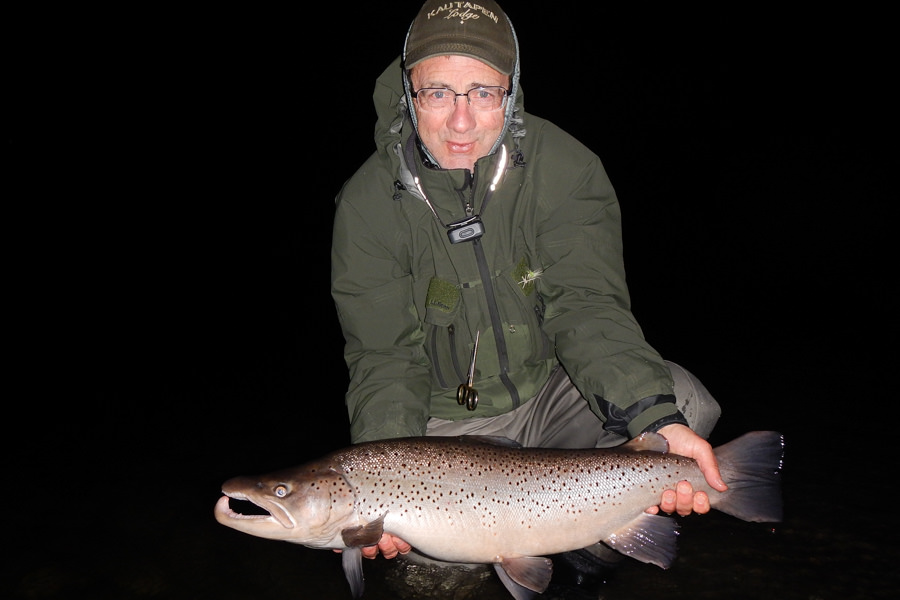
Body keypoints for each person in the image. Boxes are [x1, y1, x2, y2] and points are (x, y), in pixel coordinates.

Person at [330, 0, 726, 588]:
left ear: (511, 93)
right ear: (409, 92)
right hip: (442, 428)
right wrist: (383, 482)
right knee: (427, 568)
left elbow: (586, 306)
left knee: (680, 403)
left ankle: (590, 555)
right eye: (438, 93)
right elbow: (385, 357)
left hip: (550, 393)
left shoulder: (564, 168)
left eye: (482, 93)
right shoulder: (366, 206)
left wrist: (655, 418)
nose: (460, 123)